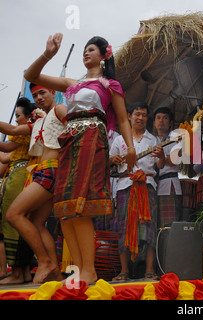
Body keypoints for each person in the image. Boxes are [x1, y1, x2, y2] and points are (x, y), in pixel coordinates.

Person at [24, 33, 137, 285]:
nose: (86, 53)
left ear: (103, 55)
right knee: (65, 209)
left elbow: (122, 119)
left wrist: (130, 147)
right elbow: (30, 76)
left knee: (80, 205)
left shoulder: (109, 85)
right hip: (69, 141)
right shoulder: (72, 83)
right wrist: (48, 55)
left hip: (92, 140)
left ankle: (90, 271)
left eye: (91, 49)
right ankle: (79, 270)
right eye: (84, 50)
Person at [0, 84, 66, 284]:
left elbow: (77, 131)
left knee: (13, 214)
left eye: (42, 93)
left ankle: (45, 261)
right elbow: (11, 130)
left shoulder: (59, 110)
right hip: (41, 170)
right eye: (35, 94)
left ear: (54, 92)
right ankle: (53, 270)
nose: (38, 97)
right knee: (37, 223)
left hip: (52, 169)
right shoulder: (39, 120)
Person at [110, 102, 165, 281]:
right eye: (137, 114)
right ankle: (124, 271)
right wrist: (113, 159)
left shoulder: (153, 140)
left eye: (144, 115)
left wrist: (162, 156)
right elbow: (109, 164)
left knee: (149, 227)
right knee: (124, 227)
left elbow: (160, 166)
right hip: (125, 185)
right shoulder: (119, 140)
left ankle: (149, 270)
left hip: (147, 185)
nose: (140, 118)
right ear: (129, 116)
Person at [0, 98, 36, 285]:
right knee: (20, 222)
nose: (16, 120)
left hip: (21, 174)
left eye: (18, 116)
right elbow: (6, 155)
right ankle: (23, 272)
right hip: (22, 173)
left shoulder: (29, 127)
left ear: (29, 117)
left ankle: (16, 273)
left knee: (12, 221)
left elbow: (6, 147)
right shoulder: (30, 129)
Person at [153, 107, 182, 227]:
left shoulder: (176, 137)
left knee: (168, 225)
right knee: (153, 226)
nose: (161, 120)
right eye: (158, 118)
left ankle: (169, 246)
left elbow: (175, 159)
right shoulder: (150, 139)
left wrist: (163, 157)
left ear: (170, 123)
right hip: (152, 185)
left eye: (165, 118)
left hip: (168, 184)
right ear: (154, 123)